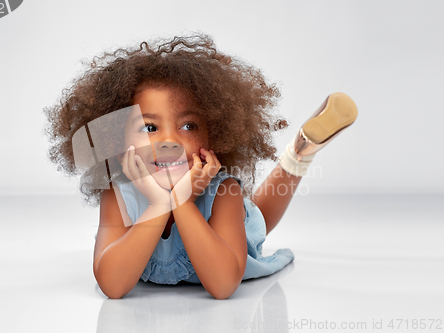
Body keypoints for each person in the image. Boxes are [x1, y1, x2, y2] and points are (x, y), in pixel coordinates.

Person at [43, 34, 357, 300]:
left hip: (226, 224)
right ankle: (299, 151)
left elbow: (222, 285)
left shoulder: (224, 192)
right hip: (159, 197)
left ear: (216, 133)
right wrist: (159, 204)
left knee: (257, 218)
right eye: (150, 128)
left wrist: (182, 203)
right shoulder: (117, 194)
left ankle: (299, 152)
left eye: (189, 126)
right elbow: (112, 284)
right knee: (256, 213)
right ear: (119, 137)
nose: (169, 140)